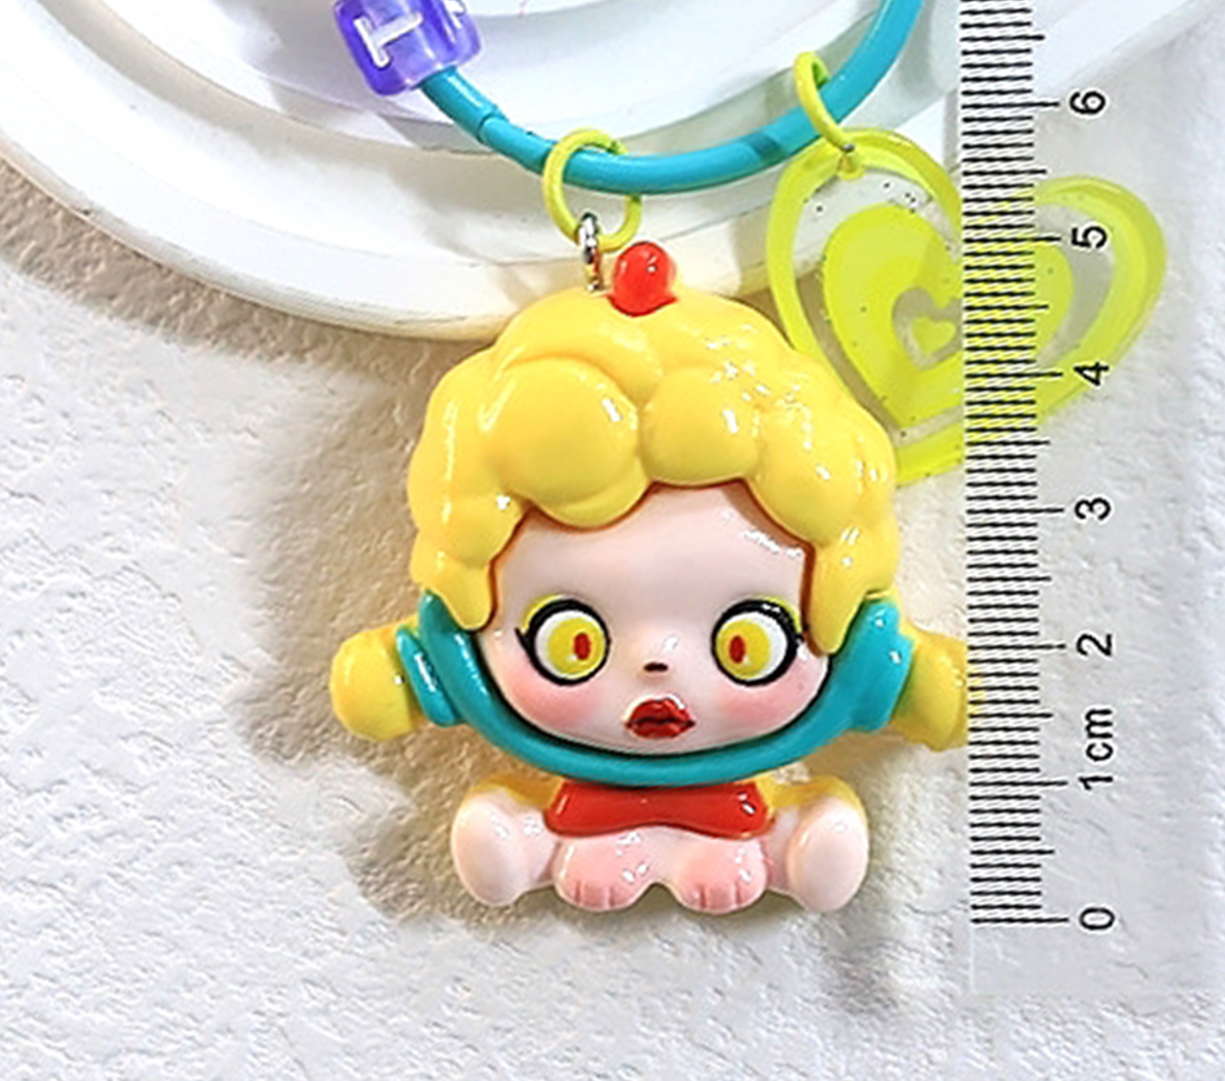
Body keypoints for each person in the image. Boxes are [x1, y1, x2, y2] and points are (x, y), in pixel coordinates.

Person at [331, 242, 965, 912]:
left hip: (741, 815)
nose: (656, 661)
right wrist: (394, 678)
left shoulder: (850, 643)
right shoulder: (463, 633)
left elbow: (903, 678)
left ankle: (794, 849)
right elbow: (403, 674)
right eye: (571, 642)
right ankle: (527, 844)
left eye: (746, 644)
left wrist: (931, 688)